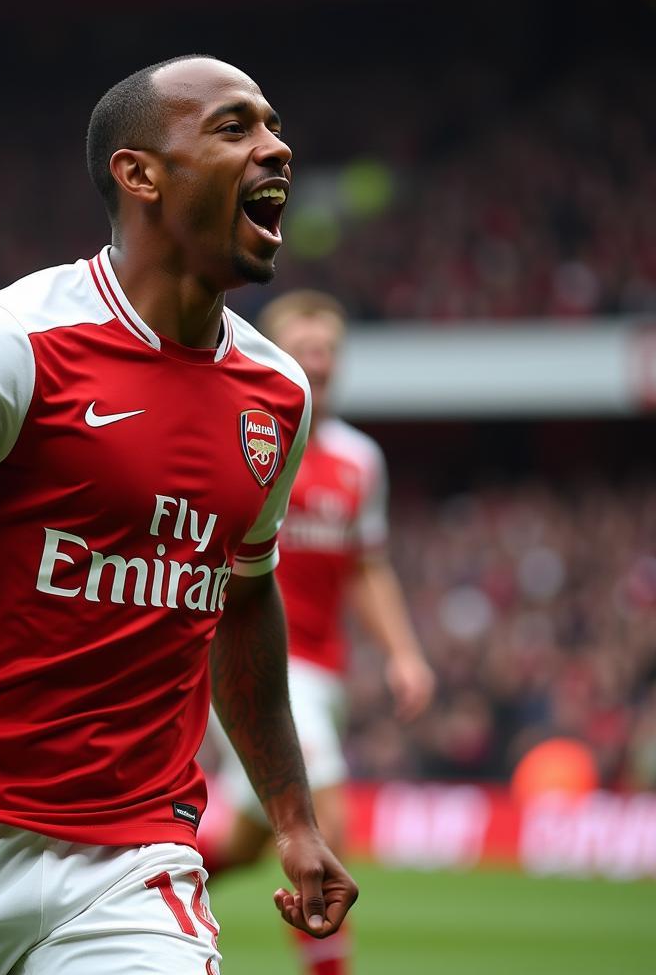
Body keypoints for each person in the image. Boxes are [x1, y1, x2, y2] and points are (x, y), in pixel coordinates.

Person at [0, 56, 357, 975]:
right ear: (140, 174)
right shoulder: (16, 339)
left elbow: (242, 599)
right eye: (234, 127)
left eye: (274, 126)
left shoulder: (276, 395)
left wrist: (292, 819)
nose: (275, 147)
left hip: (134, 858)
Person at [199, 290, 434, 975]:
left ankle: (131, 892)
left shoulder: (360, 460)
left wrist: (404, 655)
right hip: (254, 660)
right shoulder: (241, 436)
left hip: (324, 672)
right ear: (274, 356)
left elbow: (367, 567)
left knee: (247, 842)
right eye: (304, 349)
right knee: (322, 823)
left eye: (328, 350)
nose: (318, 362)